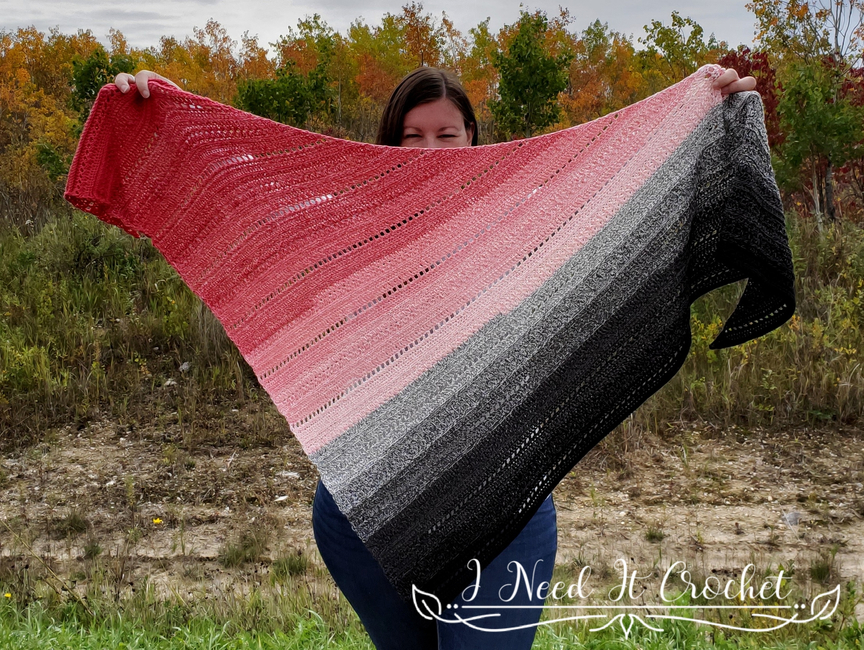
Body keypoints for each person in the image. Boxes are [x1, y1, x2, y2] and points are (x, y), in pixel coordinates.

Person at [113, 64, 756, 649]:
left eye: (446, 136)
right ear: (389, 143)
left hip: (504, 510)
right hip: (365, 512)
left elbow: (620, 189)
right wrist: (164, 114)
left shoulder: (524, 220)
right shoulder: (347, 229)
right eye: (411, 137)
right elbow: (244, 201)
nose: (429, 152)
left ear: (472, 137)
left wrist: (703, 109)